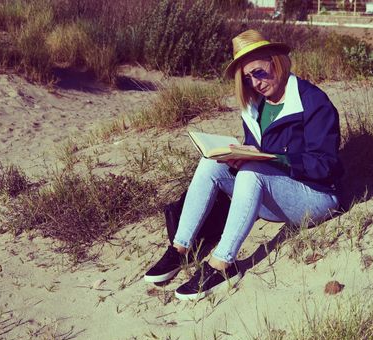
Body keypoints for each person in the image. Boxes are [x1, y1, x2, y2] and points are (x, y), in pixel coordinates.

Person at [144, 29, 343, 301]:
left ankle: (222, 265)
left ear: (278, 62)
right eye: (248, 79)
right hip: (275, 195)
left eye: (259, 72)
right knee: (210, 163)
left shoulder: (313, 101)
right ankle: (180, 249)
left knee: (251, 172)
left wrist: (271, 158)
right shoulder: (254, 108)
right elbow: (256, 156)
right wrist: (236, 157)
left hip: (316, 197)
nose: (256, 83)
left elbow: (326, 165)